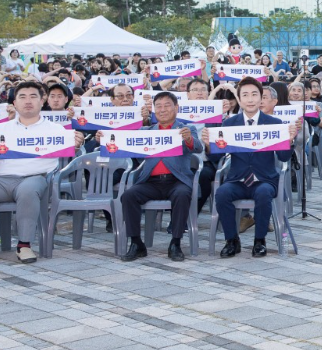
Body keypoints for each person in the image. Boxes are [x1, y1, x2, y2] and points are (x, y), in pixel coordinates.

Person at [0, 81, 84, 265]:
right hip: (2, 180)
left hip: (36, 179)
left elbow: (69, 155)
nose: (28, 101)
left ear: (42, 101)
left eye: (33, 96)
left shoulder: (57, 130)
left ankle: (24, 245)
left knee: (27, 190)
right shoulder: (1, 128)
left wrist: (76, 144)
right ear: (14, 103)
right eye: (22, 97)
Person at [210, 77, 297, 258]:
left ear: (261, 98)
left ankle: (260, 241)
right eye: (245, 95)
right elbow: (216, 157)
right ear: (239, 99)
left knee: (264, 193)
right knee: (222, 193)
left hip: (264, 179)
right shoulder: (229, 124)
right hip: (237, 179)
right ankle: (232, 240)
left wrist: (289, 141)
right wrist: (207, 144)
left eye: (255, 95)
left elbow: (283, 157)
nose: (250, 99)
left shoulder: (274, 123)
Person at [116, 91, 203, 262]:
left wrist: (188, 140)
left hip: (177, 180)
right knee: (128, 196)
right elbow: (122, 142)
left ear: (176, 108)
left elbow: (198, 148)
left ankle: (175, 243)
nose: (162, 110)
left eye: (167, 105)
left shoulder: (185, 129)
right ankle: (136, 243)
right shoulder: (146, 131)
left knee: (182, 194)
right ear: (154, 109)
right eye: (159, 106)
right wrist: (102, 139)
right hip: (151, 182)